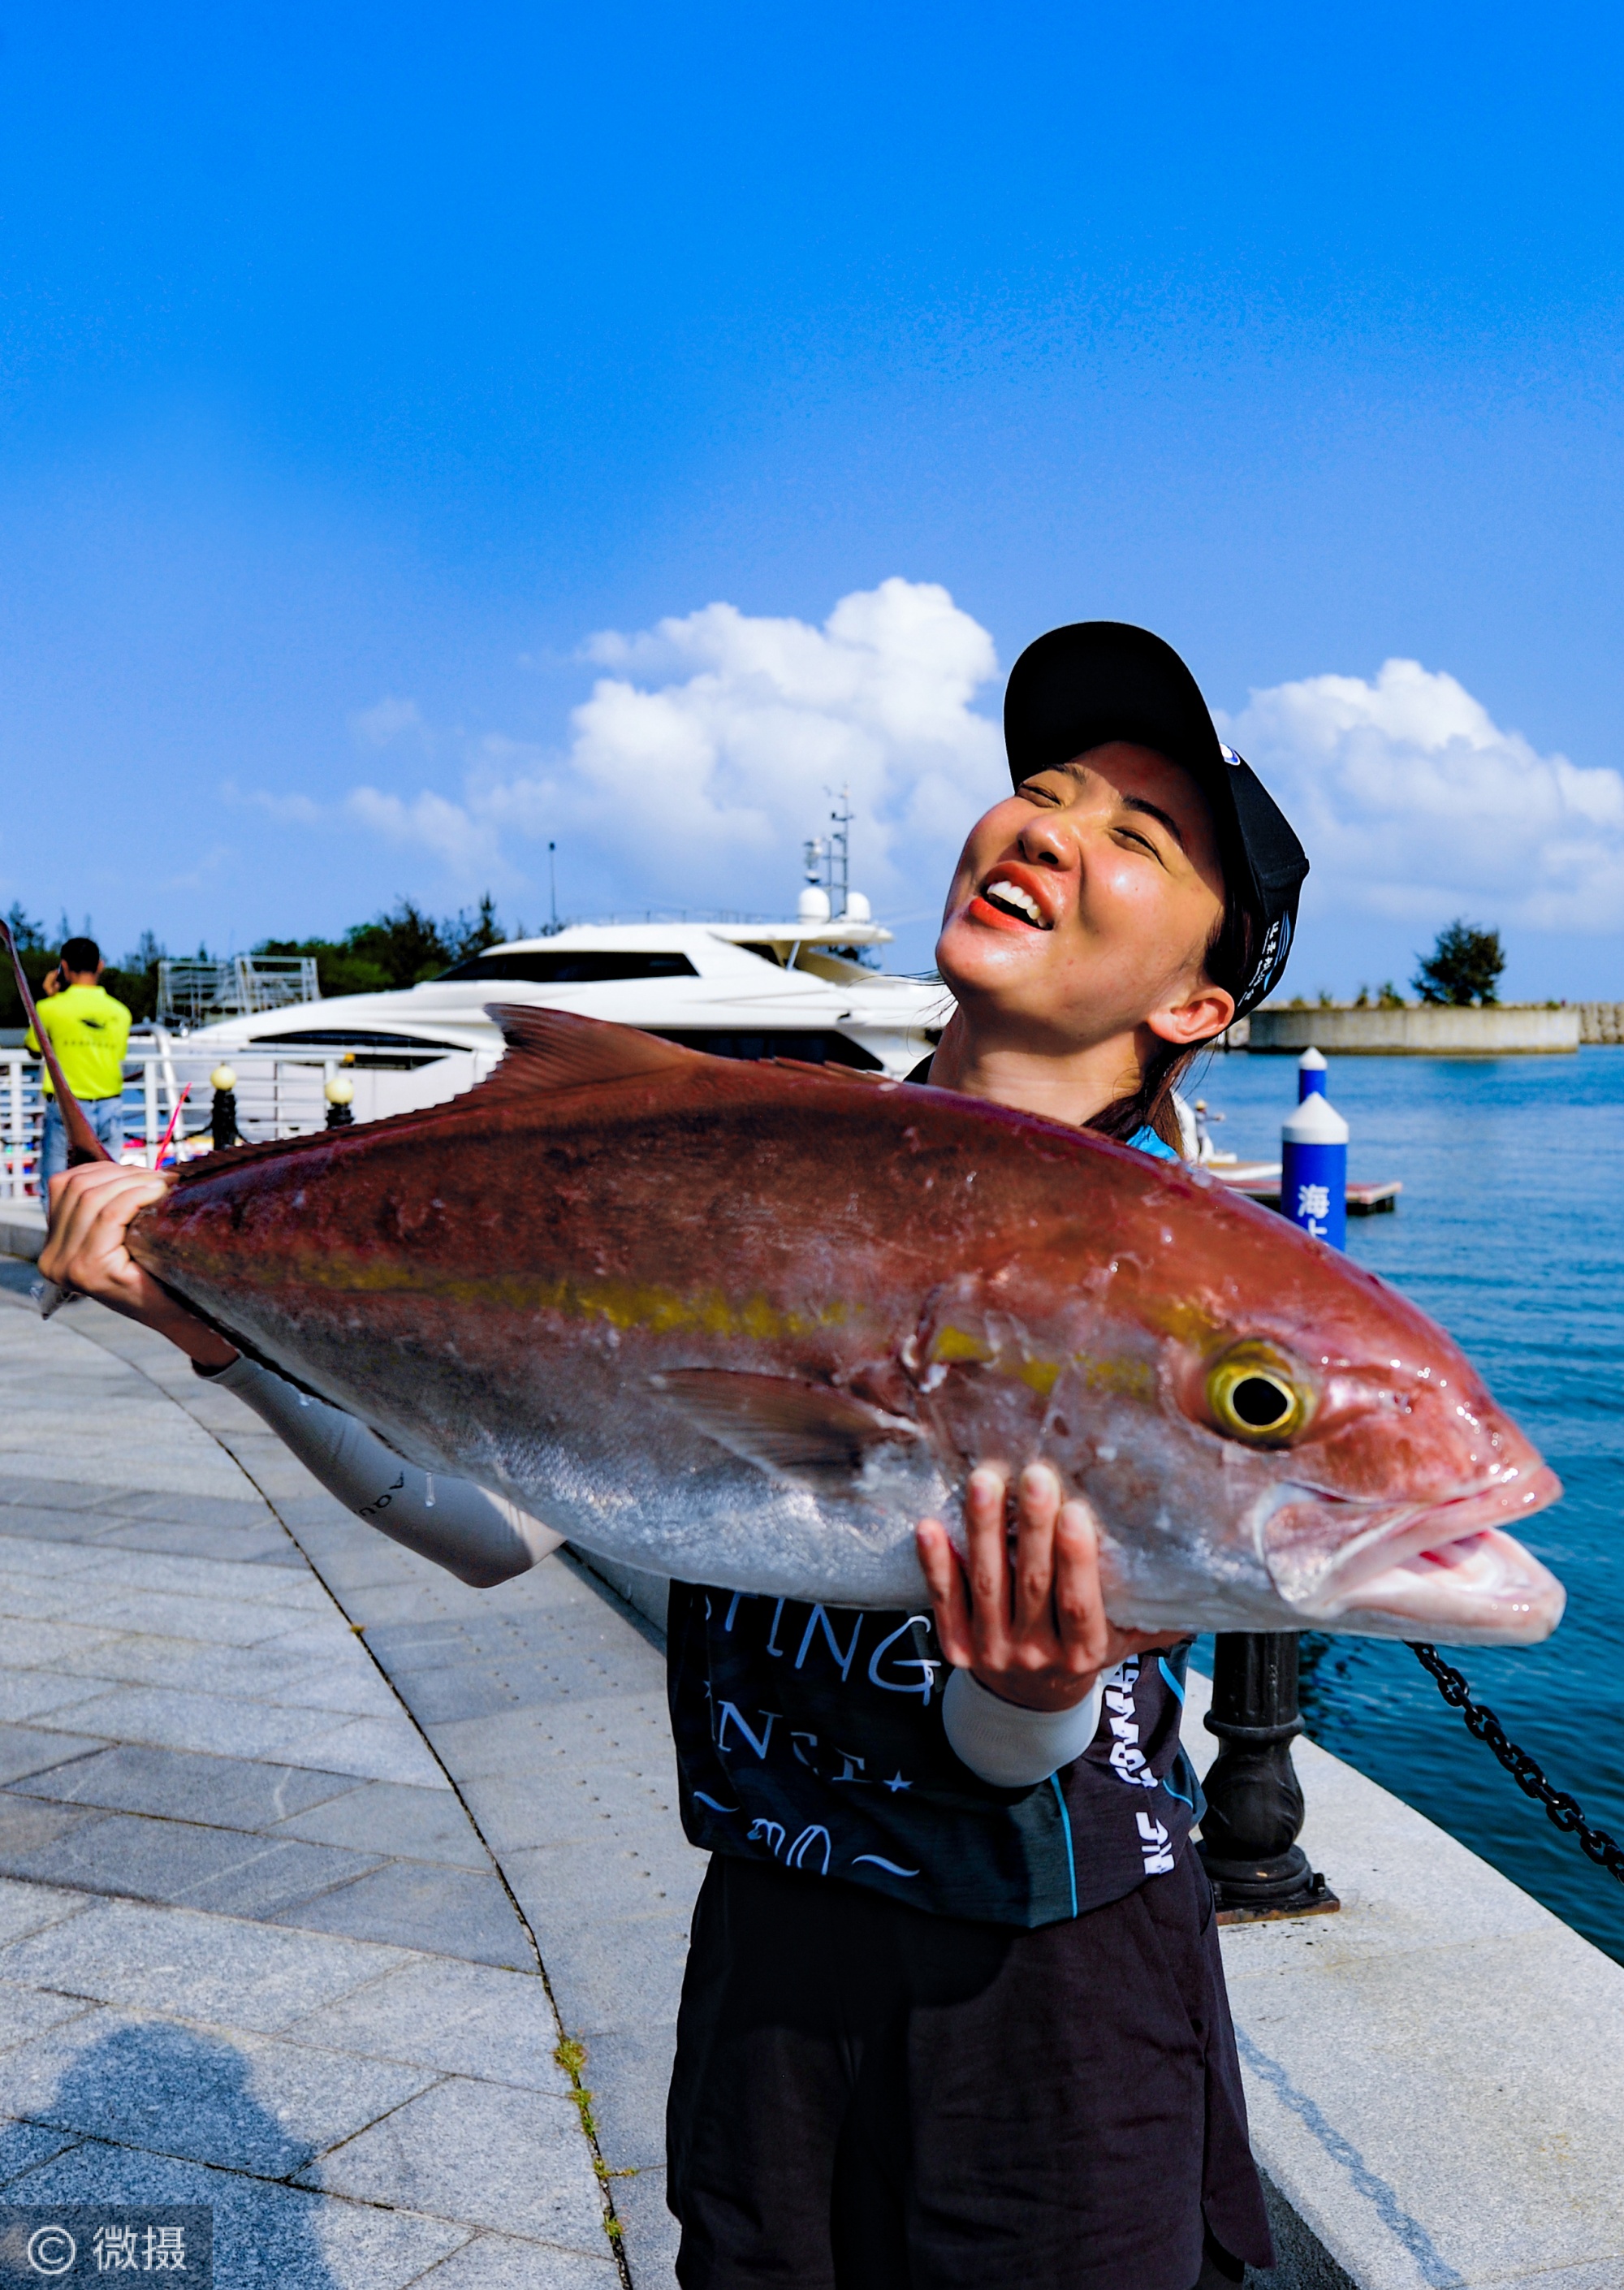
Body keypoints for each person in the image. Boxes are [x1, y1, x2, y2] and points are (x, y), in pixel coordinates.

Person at [39, 622, 1309, 2290]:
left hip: (1048, 1991)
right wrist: (222, 1334)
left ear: (1194, 1001)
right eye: (1038, 793)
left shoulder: (1181, 1282)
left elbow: (1024, 1755)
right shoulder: (748, 1156)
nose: (1047, 831)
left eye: (1135, 840)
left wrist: (1030, 1681)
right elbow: (490, 1528)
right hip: (770, 1952)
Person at [28, 935, 130, 1185]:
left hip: (66, 1105)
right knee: (106, 1183)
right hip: (110, 1103)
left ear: (63, 967)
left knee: (56, 1182)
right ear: (100, 966)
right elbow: (118, 1054)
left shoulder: (49, 1008)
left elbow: (34, 1049)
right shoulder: (120, 1011)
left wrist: (51, 997)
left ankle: (59, 1225)